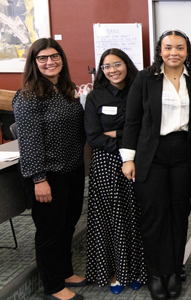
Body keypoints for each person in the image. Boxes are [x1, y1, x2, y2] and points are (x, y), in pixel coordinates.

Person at [120, 30, 191, 300]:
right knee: (154, 216)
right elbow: (132, 120)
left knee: (179, 213)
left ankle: (173, 269)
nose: (174, 53)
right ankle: (156, 273)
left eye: (179, 48)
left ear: (187, 51)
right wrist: (128, 158)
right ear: (160, 50)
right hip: (152, 154)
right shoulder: (145, 79)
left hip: (184, 153)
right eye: (168, 47)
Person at [12, 38, 87, 300]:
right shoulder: (28, 96)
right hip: (47, 175)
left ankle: (65, 271)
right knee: (49, 231)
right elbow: (29, 142)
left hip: (73, 170)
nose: (49, 62)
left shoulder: (66, 89)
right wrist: (39, 179)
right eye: (42, 58)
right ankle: (53, 286)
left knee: (68, 225)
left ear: (62, 59)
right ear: (34, 62)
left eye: (54, 56)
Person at [84, 49, 146, 294]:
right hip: (106, 166)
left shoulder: (140, 91)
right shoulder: (95, 97)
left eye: (117, 64)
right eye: (106, 66)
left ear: (127, 64)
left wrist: (119, 135)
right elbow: (93, 137)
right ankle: (116, 271)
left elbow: (145, 129)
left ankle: (138, 269)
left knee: (138, 216)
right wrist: (125, 140)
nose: (112, 70)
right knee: (110, 220)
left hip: (138, 162)